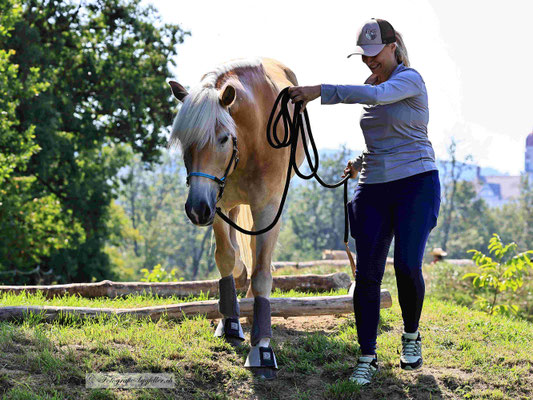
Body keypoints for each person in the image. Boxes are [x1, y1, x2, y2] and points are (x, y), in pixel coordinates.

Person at [288, 18, 441, 386]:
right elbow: (382, 135)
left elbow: (377, 98)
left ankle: (411, 336)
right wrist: (360, 162)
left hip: (416, 183)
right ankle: (367, 357)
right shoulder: (373, 83)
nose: (369, 60)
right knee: (367, 275)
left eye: (375, 53)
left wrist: (319, 91)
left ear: (392, 47)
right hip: (373, 187)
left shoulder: (410, 79)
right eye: (364, 55)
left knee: (406, 265)